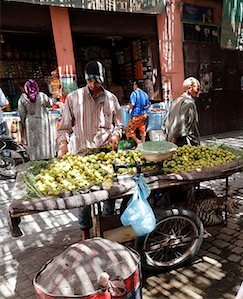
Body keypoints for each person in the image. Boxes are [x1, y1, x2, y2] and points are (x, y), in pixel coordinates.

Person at [56, 60, 123, 240]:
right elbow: (63, 128)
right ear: (85, 79)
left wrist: (117, 135)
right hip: (82, 155)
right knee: (84, 198)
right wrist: (63, 145)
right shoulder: (73, 98)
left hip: (105, 155)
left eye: (97, 81)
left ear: (103, 80)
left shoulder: (111, 99)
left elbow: (119, 124)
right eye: (90, 81)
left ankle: (107, 232)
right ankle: (86, 234)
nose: (94, 85)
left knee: (109, 195)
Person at [18, 80, 53, 160]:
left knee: (33, 141)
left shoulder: (22, 98)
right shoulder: (42, 95)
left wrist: (24, 122)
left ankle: (34, 158)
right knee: (44, 139)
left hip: (30, 122)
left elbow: (21, 113)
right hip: (42, 120)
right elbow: (50, 104)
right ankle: (46, 156)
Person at [163, 77, 201, 147]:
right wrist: (174, 139)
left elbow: (166, 121)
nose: (198, 91)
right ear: (189, 88)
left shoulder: (176, 100)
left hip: (172, 138)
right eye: (197, 89)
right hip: (182, 141)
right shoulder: (189, 103)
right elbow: (182, 123)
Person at [125, 80, 151, 145]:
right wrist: (143, 108)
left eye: (134, 85)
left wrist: (128, 109)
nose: (133, 86)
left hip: (136, 116)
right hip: (144, 115)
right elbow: (149, 105)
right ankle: (143, 144)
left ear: (136, 85)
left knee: (128, 129)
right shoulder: (145, 94)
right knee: (142, 129)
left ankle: (138, 142)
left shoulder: (134, 93)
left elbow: (133, 104)